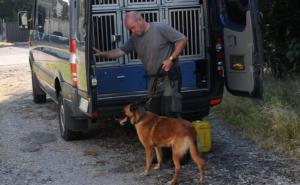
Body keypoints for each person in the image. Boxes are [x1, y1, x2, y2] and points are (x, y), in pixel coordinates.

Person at [93, 11, 187, 118]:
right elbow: (120, 51)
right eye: (130, 29)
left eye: (133, 27)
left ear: (140, 20)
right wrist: (103, 54)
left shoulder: (160, 28)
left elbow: (182, 40)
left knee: (170, 111)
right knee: (153, 114)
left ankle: (175, 133)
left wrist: (171, 59)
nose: (133, 31)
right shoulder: (135, 38)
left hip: (169, 77)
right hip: (153, 79)